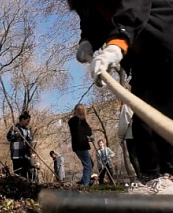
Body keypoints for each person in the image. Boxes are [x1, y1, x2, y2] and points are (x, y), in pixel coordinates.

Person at [69, 0, 173, 180]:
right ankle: (152, 179)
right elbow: (92, 17)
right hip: (141, 59)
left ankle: (169, 174)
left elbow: (134, 5)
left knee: (164, 111)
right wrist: (88, 41)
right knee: (143, 124)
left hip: (165, 43)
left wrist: (117, 43)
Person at [68, 104, 94, 186]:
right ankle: (85, 185)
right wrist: (89, 137)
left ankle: (83, 181)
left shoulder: (72, 121)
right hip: (81, 145)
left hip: (76, 146)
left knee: (90, 163)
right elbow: (88, 131)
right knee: (88, 165)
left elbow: (81, 133)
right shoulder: (81, 121)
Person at [118, 103, 142, 179]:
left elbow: (124, 123)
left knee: (133, 156)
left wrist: (121, 136)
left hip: (131, 134)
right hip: (142, 133)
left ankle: (141, 176)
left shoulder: (126, 107)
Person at [6, 111, 32, 179]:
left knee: (25, 173)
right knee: (17, 173)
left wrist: (30, 144)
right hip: (17, 154)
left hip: (26, 154)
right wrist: (13, 132)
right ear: (23, 119)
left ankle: (25, 187)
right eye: (27, 121)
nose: (28, 123)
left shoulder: (27, 130)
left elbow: (30, 140)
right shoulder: (14, 128)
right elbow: (9, 138)